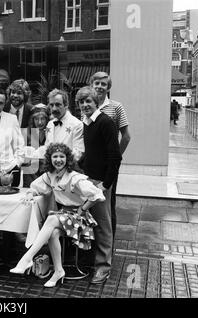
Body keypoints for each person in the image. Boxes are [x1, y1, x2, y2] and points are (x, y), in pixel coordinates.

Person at [10, 143, 105, 287]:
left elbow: (98, 195)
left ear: (68, 159)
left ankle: (27, 258)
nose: (58, 160)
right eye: (55, 156)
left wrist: (83, 209)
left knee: (52, 218)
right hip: (64, 216)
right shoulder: (51, 175)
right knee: (53, 233)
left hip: (79, 219)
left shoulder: (74, 178)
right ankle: (59, 271)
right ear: (50, 159)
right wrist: (30, 193)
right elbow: (36, 187)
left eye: (62, 156)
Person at [77, 86, 122, 284]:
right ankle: (94, 261)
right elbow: (92, 151)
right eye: (82, 102)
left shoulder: (105, 122)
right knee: (91, 222)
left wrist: (106, 183)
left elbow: (115, 156)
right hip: (88, 179)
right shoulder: (87, 123)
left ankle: (103, 267)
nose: (85, 105)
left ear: (96, 103)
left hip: (100, 182)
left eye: (89, 101)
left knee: (103, 225)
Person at [89, 72, 131, 241]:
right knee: (90, 202)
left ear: (108, 88)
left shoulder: (116, 107)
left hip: (108, 166)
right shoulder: (86, 105)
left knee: (108, 205)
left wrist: (115, 158)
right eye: (96, 83)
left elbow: (126, 136)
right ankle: (91, 241)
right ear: (91, 84)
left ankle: (109, 244)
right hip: (90, 164)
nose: (99, 86)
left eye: (103, 84)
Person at [35, 89, 84, 161]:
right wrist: (32, 153)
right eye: (51, 105)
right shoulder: (50, 124)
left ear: (66, 105)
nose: (54, 108)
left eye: (58, 105)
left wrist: (59, 160)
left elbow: (78, 154)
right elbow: (47, 147)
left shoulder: (77, 125)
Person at [22, 104, 50, 187]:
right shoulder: (26, 132)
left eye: (43, 119)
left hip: (46, 174)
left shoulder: (51, 131)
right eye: (36, 119)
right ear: (32, 119)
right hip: (29, 174)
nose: (40, 122)